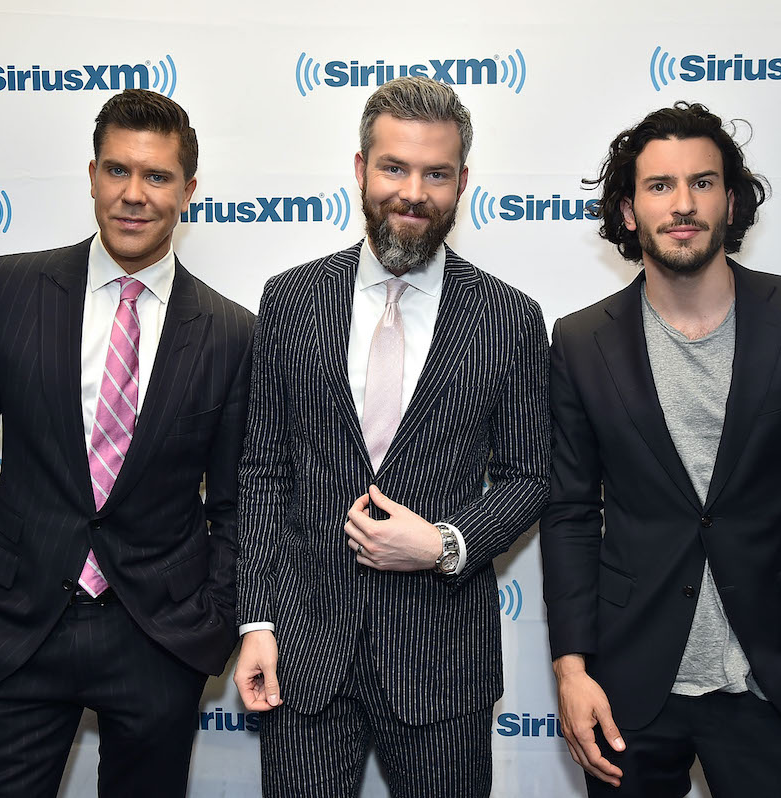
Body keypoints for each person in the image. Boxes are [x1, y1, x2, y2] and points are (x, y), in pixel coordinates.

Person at [540, 102, 781, 797]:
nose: (682, 204)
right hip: (629, 683)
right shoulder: (580, 342)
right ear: (625, 211)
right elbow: (569, 512)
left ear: (730, 200)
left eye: (702, 183)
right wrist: (571, 670)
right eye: (658, 186)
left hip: (776, 679)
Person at [0, 88, 254, 797]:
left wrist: (211, 621)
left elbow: (235, 504)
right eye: (116, 171)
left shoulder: (231, 333)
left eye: (157, 176)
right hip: (11, 630)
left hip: (157, 639)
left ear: (188, 190)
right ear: (93, 174)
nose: (133, 195)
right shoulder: (6, 289)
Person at [232, 76, 550, 797]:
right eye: (393, 167)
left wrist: (443, 543)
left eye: (436, 173)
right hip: (304, 653)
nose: (413, 191)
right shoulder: (290, 298)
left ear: (462, 182)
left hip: (442, 661)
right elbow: (261, 471)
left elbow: (530, 474)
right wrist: (256, 619)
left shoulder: (510, 318)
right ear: (359, 169)